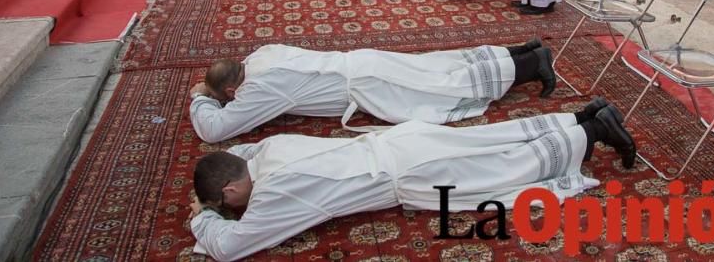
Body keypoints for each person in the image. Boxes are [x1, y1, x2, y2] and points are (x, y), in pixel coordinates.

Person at [189, 100, 634, 261]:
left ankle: (595, 132)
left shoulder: (268, 195)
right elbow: (237, 153)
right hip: (401, 142)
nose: (238, 211)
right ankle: (581, 117)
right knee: (488, 139)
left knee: (501, 169)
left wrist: (202, 219)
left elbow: (230, 248)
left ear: (231, 190)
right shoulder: (269, 149)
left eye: (231, 204)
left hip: (406, 174)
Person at [189, 40, 556, 142]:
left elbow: (215, 131)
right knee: (438, 65)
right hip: (362, 63)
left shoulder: (257, 88)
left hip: (368, 85)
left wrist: (201, 98)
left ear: (234, 89)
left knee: (443, 89)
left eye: (227, 96)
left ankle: (531, 65)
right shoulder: (260, 56)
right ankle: (523, 50)